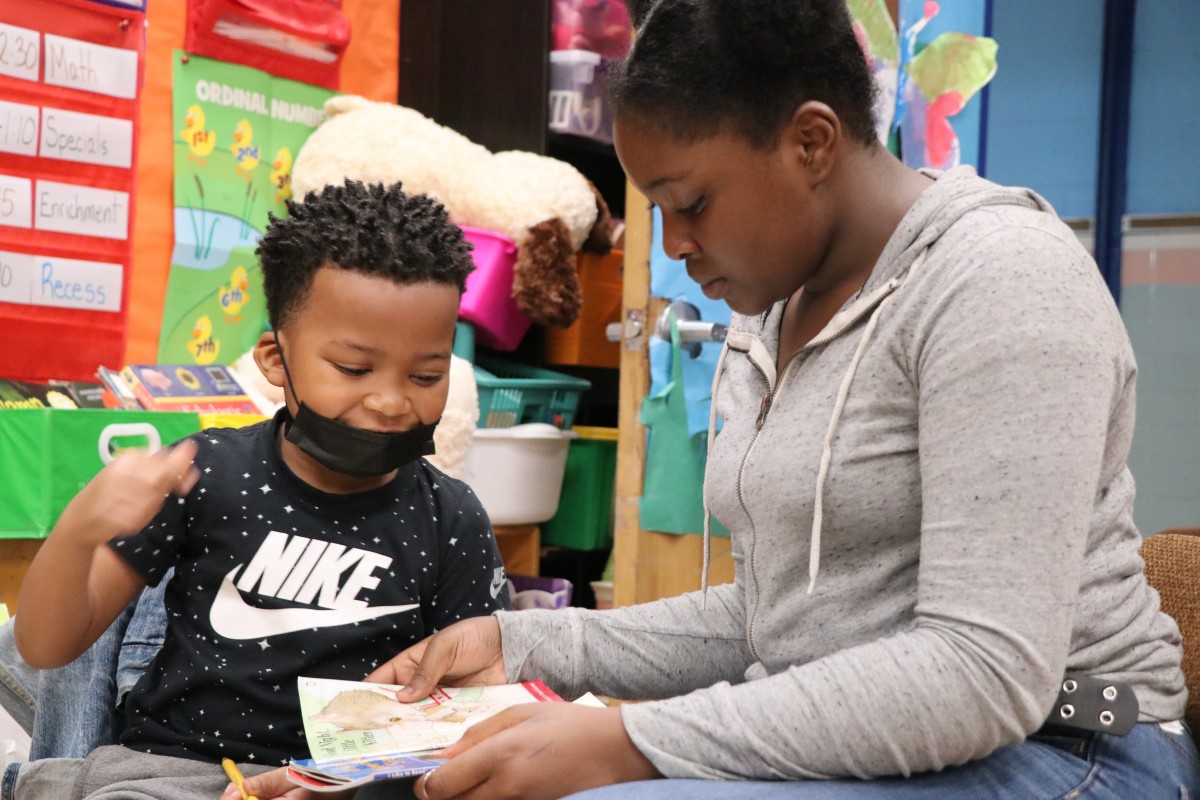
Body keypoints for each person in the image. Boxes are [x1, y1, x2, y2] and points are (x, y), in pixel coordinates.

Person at [239, 1, 1200, 799]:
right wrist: (518, 639)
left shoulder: (1001, 283)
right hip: (889, 739)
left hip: (1071, 751)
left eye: (691, 203)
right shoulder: (773, 311)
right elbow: (773, 623)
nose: (678, 245)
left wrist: (629, 743)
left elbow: (982, 672)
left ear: (811, 142)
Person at [8, 179, 511, 800]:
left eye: (427, 375)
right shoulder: (204, 473)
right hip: (171, 777)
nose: (389, 401)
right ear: (276, 359)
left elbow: (475, 713)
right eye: (353, 369)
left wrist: (345, 781)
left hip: (351, 787)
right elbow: (46, 644)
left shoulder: (451, 516)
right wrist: (81, 526)